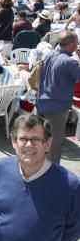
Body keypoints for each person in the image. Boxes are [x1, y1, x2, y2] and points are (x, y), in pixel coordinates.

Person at [36, 30, 80, 163]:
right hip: (57, 108)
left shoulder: (49, 55)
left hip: (41, 103)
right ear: (72, 44)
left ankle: (38, 165)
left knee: (41, 139)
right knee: (54, 143)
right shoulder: (70, 62)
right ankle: (52, 173)